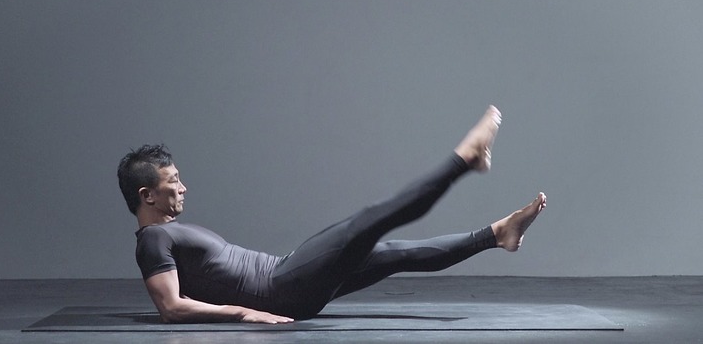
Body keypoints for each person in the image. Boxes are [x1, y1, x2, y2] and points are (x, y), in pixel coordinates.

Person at [117, 105, 546, 324]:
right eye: (173, 181)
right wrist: (243, 313)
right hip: (282, 286)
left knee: (391, 253)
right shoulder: (153, 239)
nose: (182, 187)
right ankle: (464, 160)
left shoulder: (166, 234)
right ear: (146, 195)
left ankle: (497, 234)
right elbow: (171, 308)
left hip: (289, 278)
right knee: (372, 220)